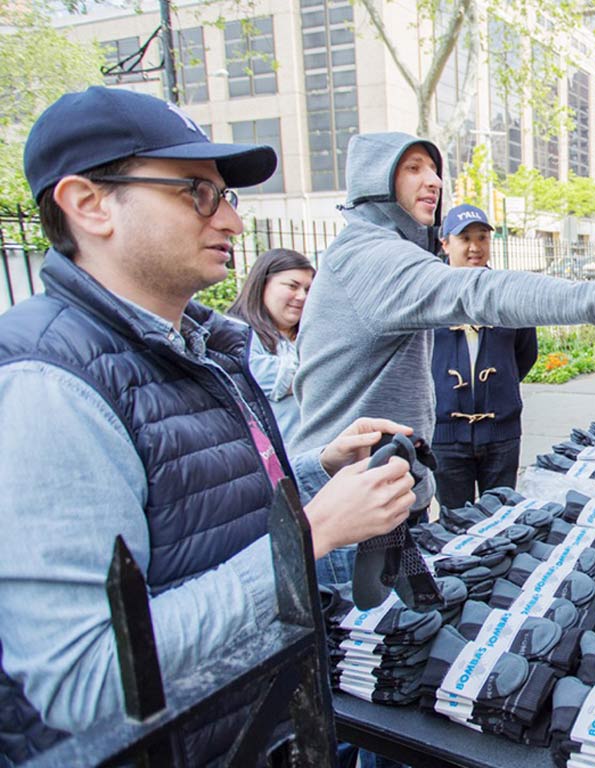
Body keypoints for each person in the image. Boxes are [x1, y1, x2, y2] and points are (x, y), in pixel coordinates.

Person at [0, 87, 416, 764]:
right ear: (88, 204)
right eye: (197, 192)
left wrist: (318, 469)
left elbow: (198, 515)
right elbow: (88, 678)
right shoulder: (47, 388)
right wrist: (311, 536)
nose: (230, 220)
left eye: (228, 196)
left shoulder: (197, 344)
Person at [292, 133, 595, 515]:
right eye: (414, 168)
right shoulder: (369, 256)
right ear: (375, 181)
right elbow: (483, 293)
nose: (434, 181)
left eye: (435, 169)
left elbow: (517, 347)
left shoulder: (392, 252)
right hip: (348, 503)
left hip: (386, 491)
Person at [429, 204, 538, 508]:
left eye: (482, 238)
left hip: (501, 433)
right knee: (454, 524)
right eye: (465, 239)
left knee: (502, 522)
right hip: (447, 436)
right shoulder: (429, 296)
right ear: (445, 243)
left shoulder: (507, 294)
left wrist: (499, 387)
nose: (475, 247)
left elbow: (525, 354)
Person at [227, 247, 315, 447]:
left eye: (308, 289)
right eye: (292, 286)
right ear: (262, 284)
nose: (302, 296)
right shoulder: (235, 332)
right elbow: (260, 374)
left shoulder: (310, 335)